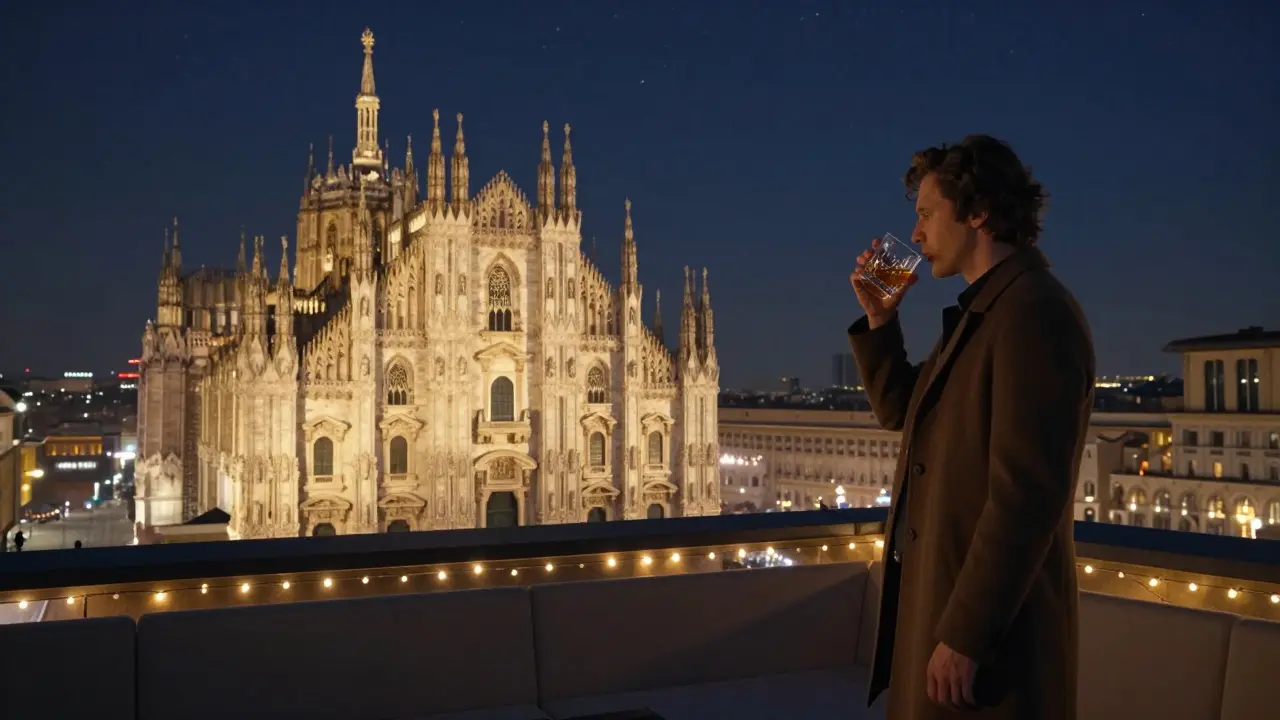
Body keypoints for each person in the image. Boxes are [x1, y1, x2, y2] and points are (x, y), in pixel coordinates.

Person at [848, 135, 1094, 720]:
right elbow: (904, 415)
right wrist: (881, 321)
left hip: (988, 645)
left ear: (979, 213)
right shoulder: (985, 313)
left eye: (927, 214)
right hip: (945, 609)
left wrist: (966, 633)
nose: (915, 235)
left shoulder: (1034, 314)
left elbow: (1027, 496)